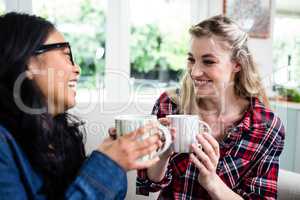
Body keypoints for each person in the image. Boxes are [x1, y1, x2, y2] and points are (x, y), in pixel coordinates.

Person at [0, 12, 163, 200]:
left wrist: (112, 157)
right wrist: (107, 165)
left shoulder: (58, 137)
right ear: (28, 62)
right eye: (66, 55)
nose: (77, 68)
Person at [136, 15, 285, 199]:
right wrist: (163, 154)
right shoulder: (169, 104)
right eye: (191, 60)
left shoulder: (266, 127)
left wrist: (212, 181)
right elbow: (148, 183)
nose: (195, 72)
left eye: (208, 61)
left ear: (237, 64)